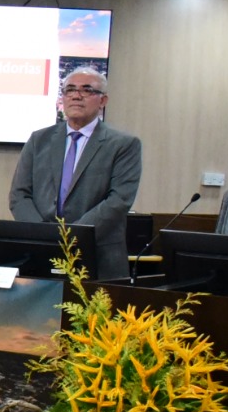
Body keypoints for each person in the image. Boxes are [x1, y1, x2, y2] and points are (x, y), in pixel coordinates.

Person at [9, 68, 142, 279]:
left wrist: (72, 236)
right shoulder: (39, 140)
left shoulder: (123, 144)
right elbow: (20, 195)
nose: (76, 95)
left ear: (103, 100)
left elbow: (119, 200)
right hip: (42, 251)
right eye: (70, 89)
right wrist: (44, 236)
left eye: (86, 90)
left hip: (98, 254)